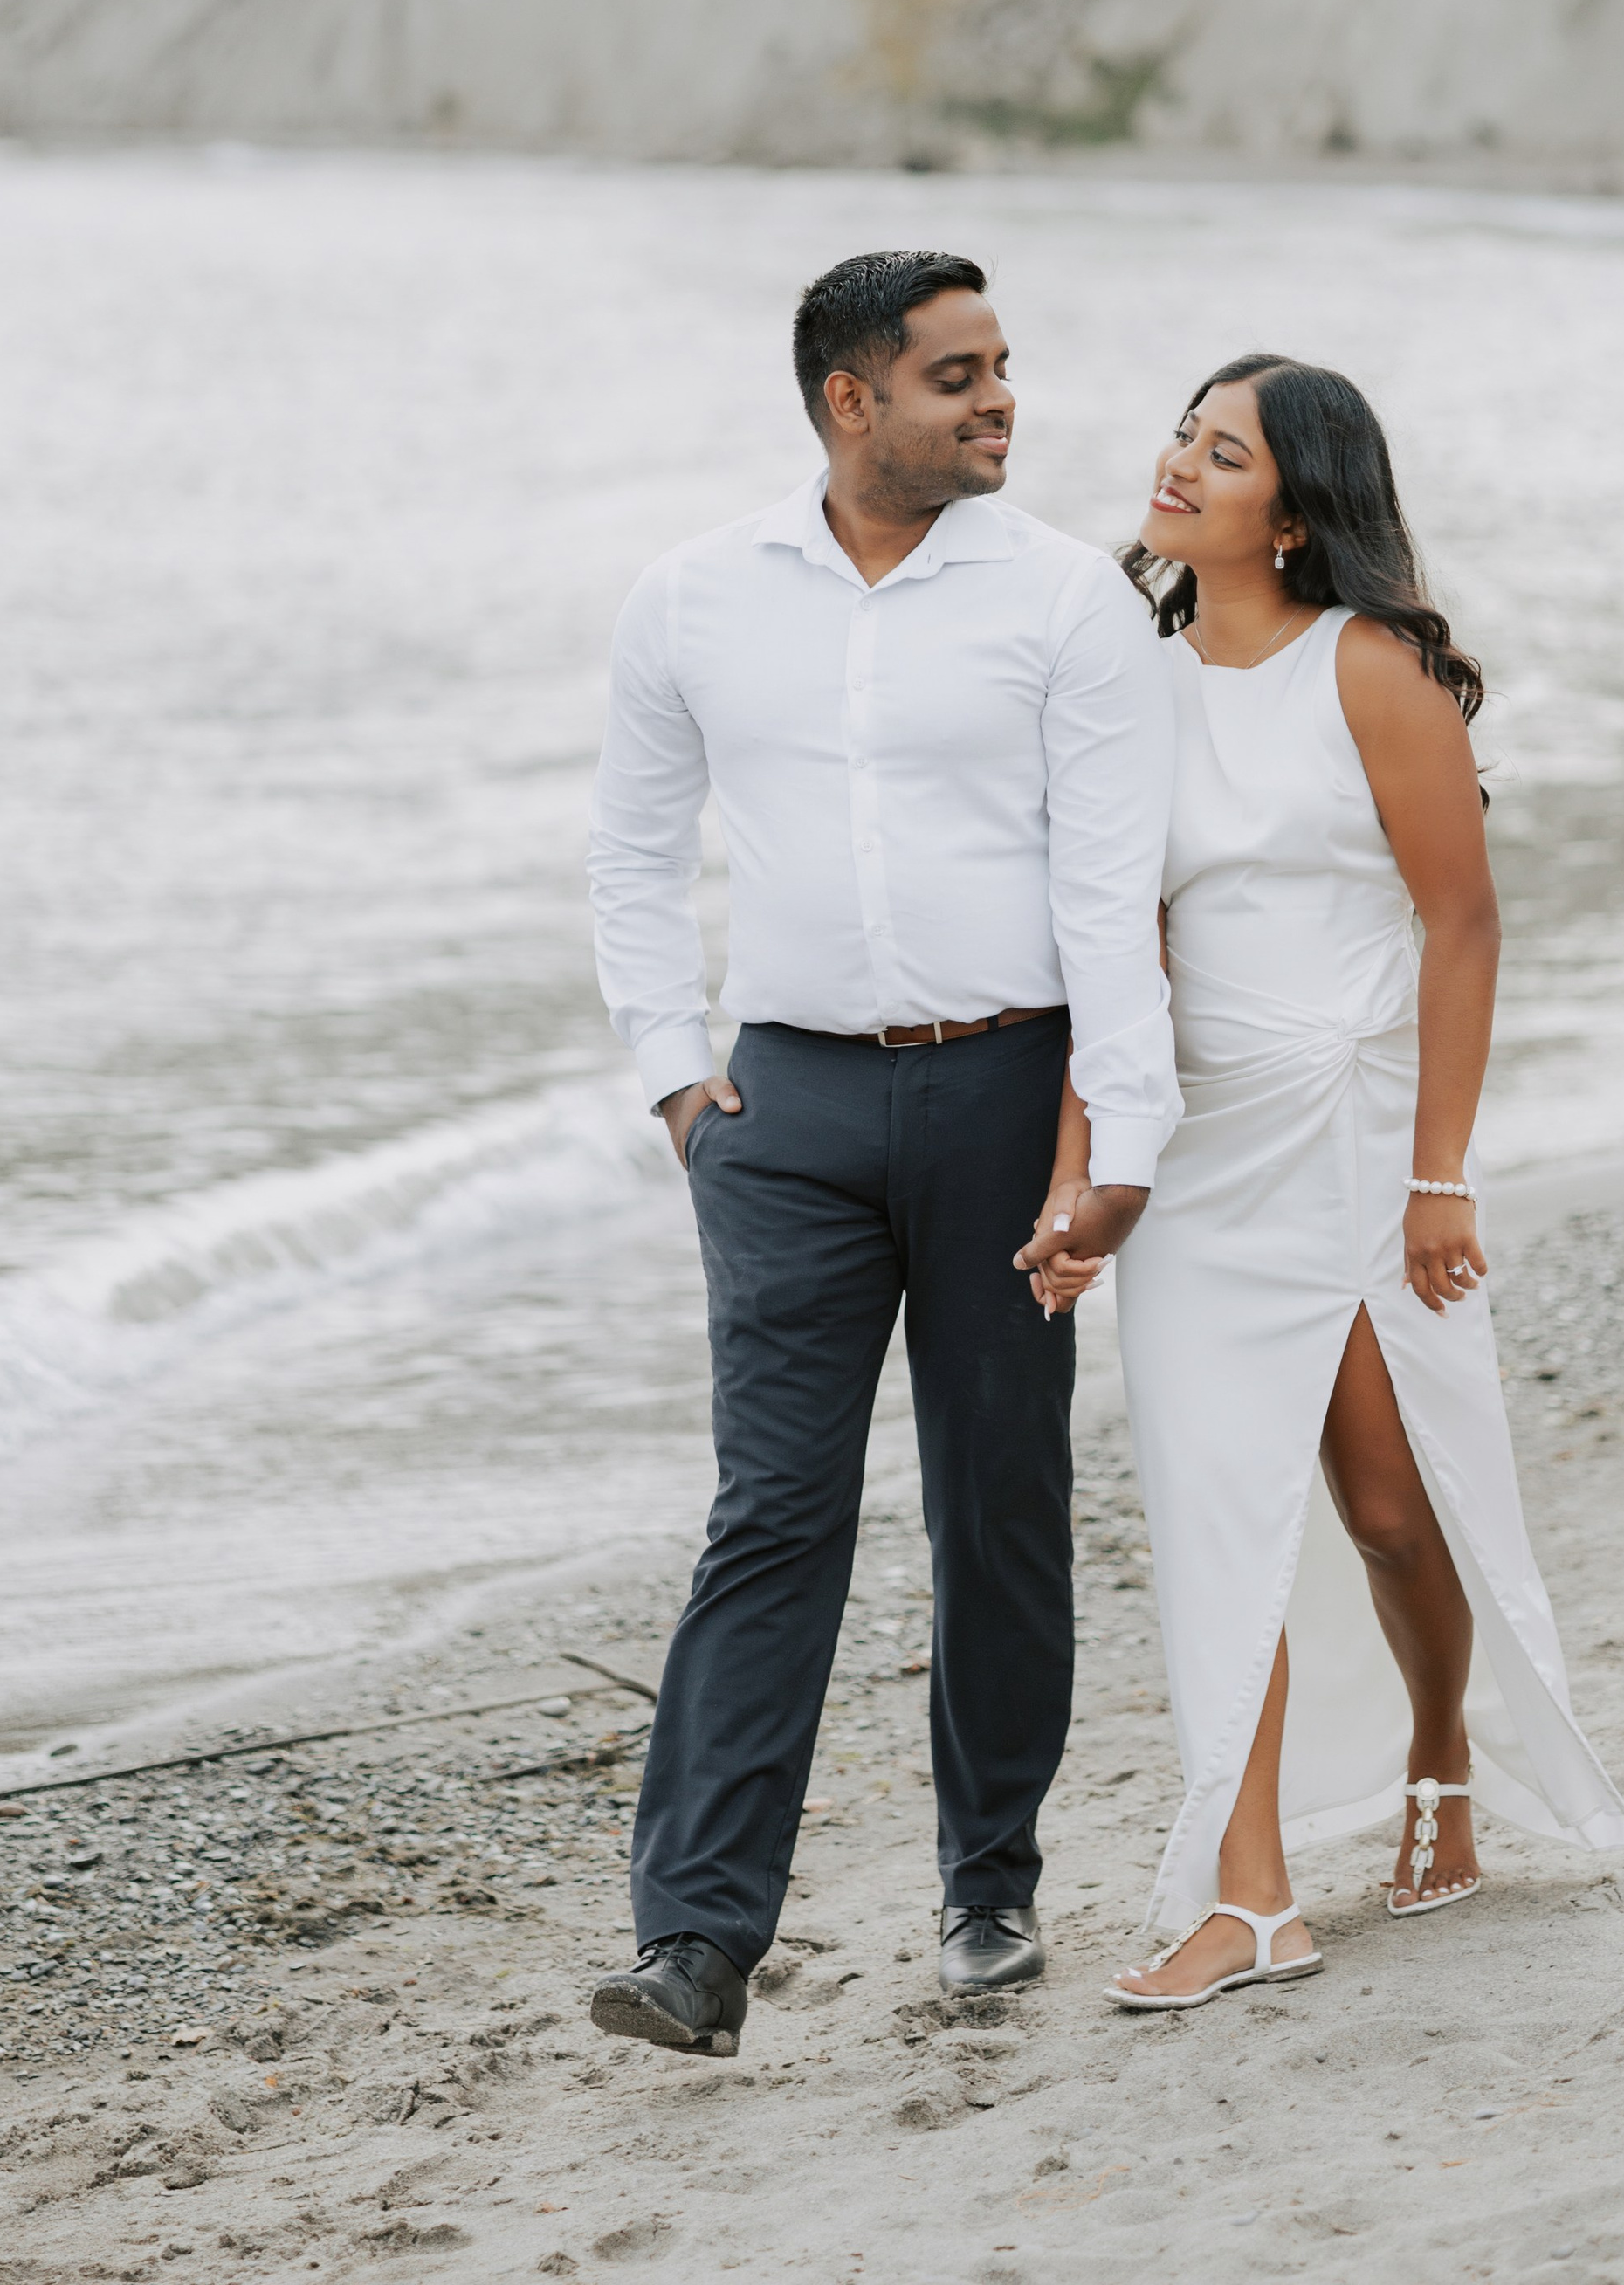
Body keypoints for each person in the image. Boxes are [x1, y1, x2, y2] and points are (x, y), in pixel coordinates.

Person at [584, 250, 1178, 2054]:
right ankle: (696, 1942)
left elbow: (1105, 892)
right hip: (785, 1116)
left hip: (1004, 1097)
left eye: (1000, 369)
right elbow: (629, 856)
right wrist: (679, 1085)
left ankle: (986, 1881)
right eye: (955, 376)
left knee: (996, 1501)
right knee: (770, 1510)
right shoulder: (693, 599)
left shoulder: (1066, 600)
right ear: (853, 402)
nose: (998, 401)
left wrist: (1118, 1144)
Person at [1017, 354, 1624, 2009]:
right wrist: (1086, 1176)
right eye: (1182, 434)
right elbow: (1114, 955)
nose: (1179, 465)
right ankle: (1253, 1896)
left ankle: (1443, 1755)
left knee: (1381, 1506)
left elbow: (1464, 921)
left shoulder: (1371, 671)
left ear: (1294, 513)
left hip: (1361, 1145)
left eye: (1222, 454)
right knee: (1216, 1512)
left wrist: (1442, 1174)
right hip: (1197, 1154)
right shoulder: (1126, 685)